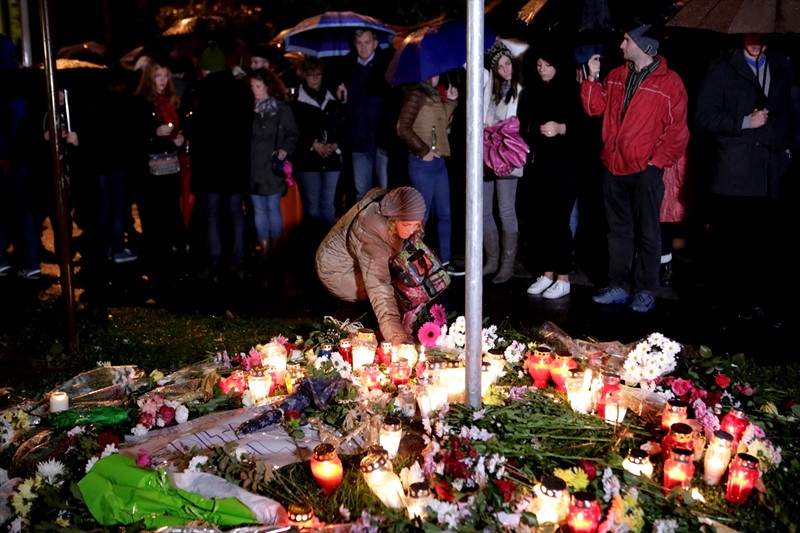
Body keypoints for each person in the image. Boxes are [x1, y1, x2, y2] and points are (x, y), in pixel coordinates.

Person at [581, 23, 689, 313]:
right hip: (614, 166)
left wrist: (656, 162)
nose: (621, 46)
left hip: (645, 169)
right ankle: (618, 286)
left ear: (645, 46)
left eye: (626, 40)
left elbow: (677, 131)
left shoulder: (670, 83)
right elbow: (595, 109)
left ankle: (644, 290)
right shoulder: (617, 75)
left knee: (648, 232)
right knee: (618, 231)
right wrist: (591, 78)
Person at [694, 33, 794, 326]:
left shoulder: (781, 66)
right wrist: (744, 122)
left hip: (771, 173)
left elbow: (789, 113)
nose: (756, 40)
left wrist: (788, 150)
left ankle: (760, 304)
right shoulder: (723, 67)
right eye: (751, 34)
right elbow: (703, 116)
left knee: (765, 246)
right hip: (735, 175)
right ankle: (730, 308)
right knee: (733, 247)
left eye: (762, 35)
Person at [316, 186, 426, 344]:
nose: (412, 230)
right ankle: (346, 319)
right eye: (407, 225)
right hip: (337, 270)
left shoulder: (394, 208)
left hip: (360, 261)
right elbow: (379, 286)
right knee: (395, 289)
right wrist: (397, 335)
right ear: (393, 220)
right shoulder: (370, 232)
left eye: (416, 224)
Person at [181, 41, 253, 281]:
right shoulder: (242, 89)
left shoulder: (200, 91)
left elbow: (194, 126)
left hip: (210, 164)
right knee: (235, 212)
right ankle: (239, 261)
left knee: (211, 214)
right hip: (235, 163)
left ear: (204, 68)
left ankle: (213, 263)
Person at [519, 44, 582, 299]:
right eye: (538, 65)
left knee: (559, 220)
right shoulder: (532, 92)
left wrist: (562, 128)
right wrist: (537, 130)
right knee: (541, 220)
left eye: (546, 64)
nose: (542, 69)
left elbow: (582, 127)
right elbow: (524, 125)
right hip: (540, 164)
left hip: (565, 164)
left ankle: (563, 276)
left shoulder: (571, 90)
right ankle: (546, 274)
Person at [396, 73, 460, 276]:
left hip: (439, 161)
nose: (437, 75)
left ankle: (445, 261)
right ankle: (417, 266)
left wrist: (450, 101)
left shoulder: (433, 95)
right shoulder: (416, 95)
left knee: (444, 213)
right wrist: (423, 151)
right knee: (421, 217)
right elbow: (402, 127)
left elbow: (442, 126)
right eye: (432, 72)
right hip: (422, 163)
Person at [133, 58, 186, 291]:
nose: (163, 81)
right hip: (150, 172)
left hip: (170, 167)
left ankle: (170, 267)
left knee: (170, 215)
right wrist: (154, 133)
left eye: (166, 76)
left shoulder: (170, 101)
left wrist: (178, 138)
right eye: (158, 76)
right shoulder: (142, 103)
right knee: (154, 220)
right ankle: (157, 269)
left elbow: (178, 126)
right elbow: (134, 138)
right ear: (149, 78)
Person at [481, 40, 526, 285]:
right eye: (500, 66)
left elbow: (514, 124)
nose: (506, 69)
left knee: (506, 209)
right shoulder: (490, 86)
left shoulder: (519, 87)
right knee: (484, 209)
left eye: (508, 63)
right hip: (487, 154)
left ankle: (507, 265)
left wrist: (499, 40)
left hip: (507, 154)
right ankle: (492, 260)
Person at [248, 68, 298, 284]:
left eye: (258, 86)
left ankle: (275, 248)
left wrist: (285, 149)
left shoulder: (280, 108)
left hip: (271, 166)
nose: (255, 91)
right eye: (252, 87)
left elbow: (292, 134)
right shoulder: (247, 109)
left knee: (272, 208)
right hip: (252, 168)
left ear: (268, 86)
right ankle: (265, 248)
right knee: (259, 210)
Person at [335, 29, 393, 202]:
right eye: (359, 43)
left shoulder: (385, 66)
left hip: (381, 139)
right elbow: (342, 106)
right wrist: (342, 99)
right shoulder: (347, 68)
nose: (363, 47)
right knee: (362, 194)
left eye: (367, 42)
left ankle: (384, 229)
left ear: (375, 44)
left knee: (385, 193)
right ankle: (365, 229)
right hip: (358, 139)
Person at [291, 57, 345, 231]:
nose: (315, 79)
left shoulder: (333, 99)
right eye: (311, 75)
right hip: (307, 161)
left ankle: (328, 248)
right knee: (312, 205)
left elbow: (342, 126)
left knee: (328, 204)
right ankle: (313, 243)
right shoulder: (296, 102)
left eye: (318, 75)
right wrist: (313, 144)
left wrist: (336, 144)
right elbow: (293, 131)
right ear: (304, 77)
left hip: (331, 159)